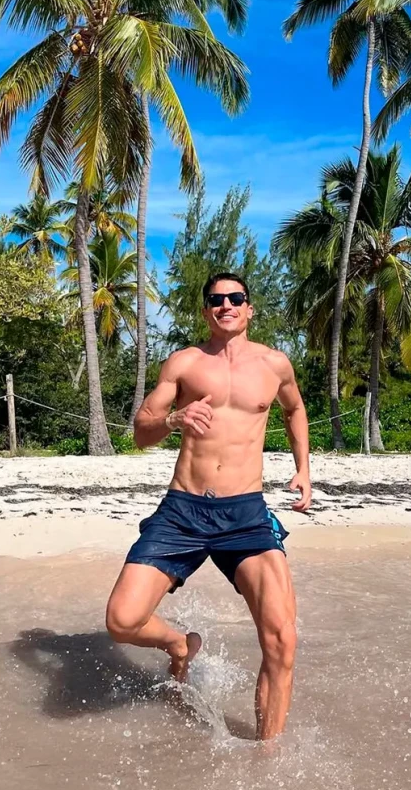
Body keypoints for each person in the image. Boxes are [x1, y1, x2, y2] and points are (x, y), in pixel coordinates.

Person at [105, 272, 312, 740]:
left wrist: (303, 468)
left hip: (246, 515)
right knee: (121, 621)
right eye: (216, 300)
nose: (226, 306)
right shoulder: (184, 363)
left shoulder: (275, 364)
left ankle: (267, 758)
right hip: (183, 511)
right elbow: (141, 432)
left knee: (282, 641)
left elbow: (294, 410)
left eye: (236, 298)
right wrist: (175, 419)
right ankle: (181, 645)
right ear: (206, 311)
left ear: (249, 308)